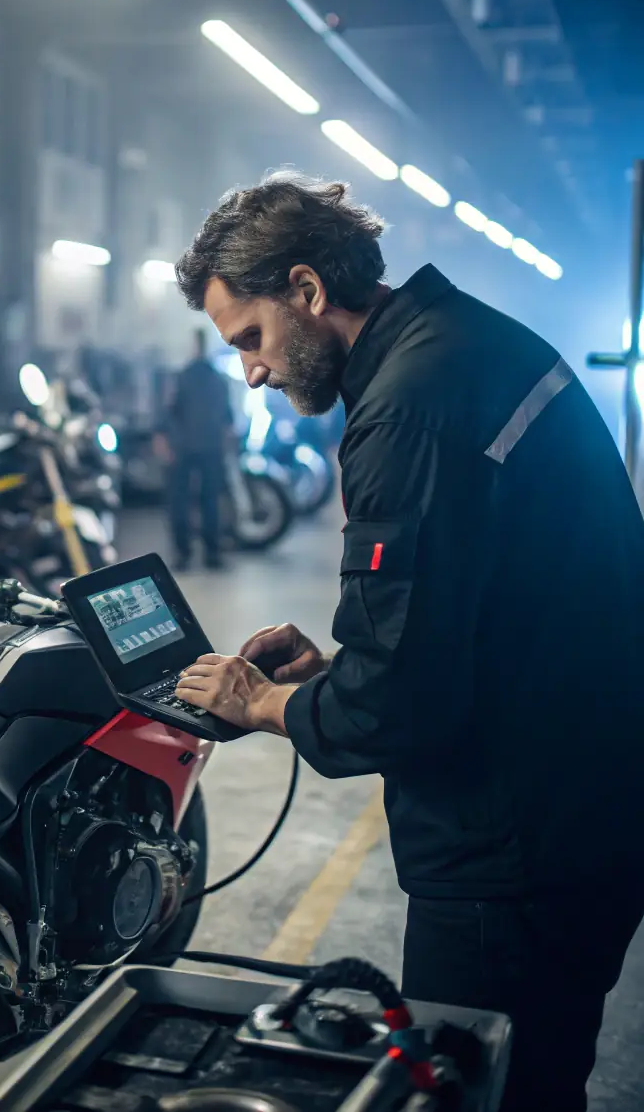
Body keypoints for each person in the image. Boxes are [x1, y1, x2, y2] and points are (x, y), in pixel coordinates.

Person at [171, 170, 644, 1112]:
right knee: (542, 1078)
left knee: (483, 1092)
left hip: (512, 847)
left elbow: (397, 704)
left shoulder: (407, 406)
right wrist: (334, 671)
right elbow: (476, 611)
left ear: (308, 289)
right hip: (584, 799)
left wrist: (265, 702)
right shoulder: (465, 341)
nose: (252, 372)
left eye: (251, 338)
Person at [157, 329, 233, 569]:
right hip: (210, 446)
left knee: (180, 502)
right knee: (210, 500)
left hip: (184, 447)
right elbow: (227, 418)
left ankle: (184, 554)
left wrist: (163, 440)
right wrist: (227, 444)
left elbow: (168, 412)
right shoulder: (217, 379)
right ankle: (212, 553)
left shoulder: (181, 377)